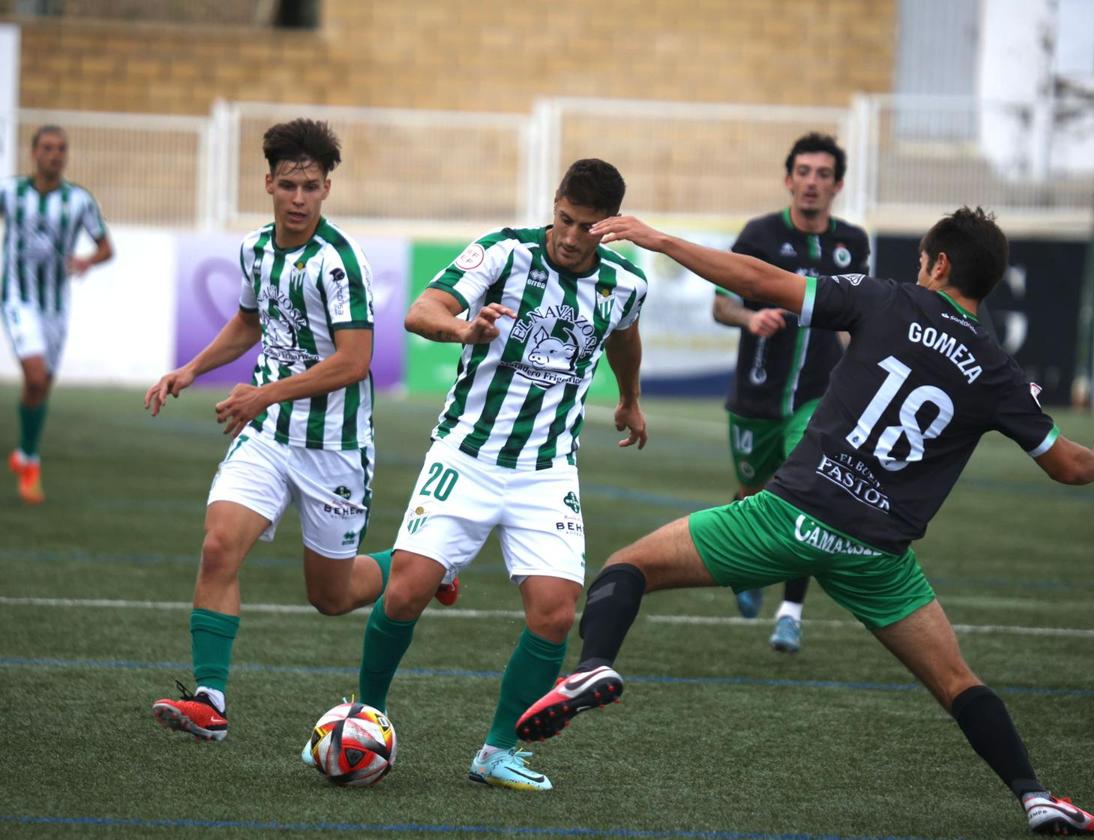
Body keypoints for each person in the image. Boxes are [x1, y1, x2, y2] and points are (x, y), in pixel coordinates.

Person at [518, 208, 1094, 835]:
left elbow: (759, 279)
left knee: (629, 567)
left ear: (940, 265)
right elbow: (1069, 467)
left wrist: (662, 240)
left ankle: (593, 666)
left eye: (921, 260)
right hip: (877, 555)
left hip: (790, 515)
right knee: (956, 681)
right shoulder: (999, 371)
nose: (916, 270)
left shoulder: (888, 301)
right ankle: (1035, 796)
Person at [334, 159, 648, 793]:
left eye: (587, 228)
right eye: (564, 219)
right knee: (405, 592)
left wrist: (629, 397)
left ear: (608, 228)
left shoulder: (625, 284)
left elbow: (624, 336)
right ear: (553, 204)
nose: (569, 236)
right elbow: (422, 309)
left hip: (546, 470)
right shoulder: (503, 252)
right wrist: (461, 328)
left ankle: (496, 752)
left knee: (556, 615)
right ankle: (364, 713)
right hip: (466, 455)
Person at [146, 118, 386, 742]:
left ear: (327, 188)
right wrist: (192, 368)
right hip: (269, 433)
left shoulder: (340, 262)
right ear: (269, 184)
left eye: (310, 186)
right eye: (288, 186)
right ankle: (210, 701)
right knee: (218, 546)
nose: (299, 198)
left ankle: (424, 567)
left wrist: (263, 393)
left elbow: (354, 361)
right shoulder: (255, 248)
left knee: (330, 598)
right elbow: (250, 322)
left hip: (335, 448)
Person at [713, 132, 869, 652]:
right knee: (754, 495)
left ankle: (791, 612)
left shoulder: (853, 244)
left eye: (823, 174)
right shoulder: (758, 235)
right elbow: (721, 306)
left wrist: (867, 367)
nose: (812, 183)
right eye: (803, 172)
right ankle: (749, 568)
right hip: (755, 398)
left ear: (837, 185)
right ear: (788, 180)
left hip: (818, 400)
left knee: (807, 496)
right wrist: (749, 314)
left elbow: (858, 320)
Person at [1, 125, 113, 504]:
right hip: (18, 297)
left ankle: (22, 452)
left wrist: (86, 260)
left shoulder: (78, 200)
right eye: (48, 148)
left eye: (61, 148)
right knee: (34, 376)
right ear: (33, 153)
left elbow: (105, 247)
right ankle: (31, 462)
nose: (55, 155)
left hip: (56, 305)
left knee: (42, 385)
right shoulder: (10, 192)